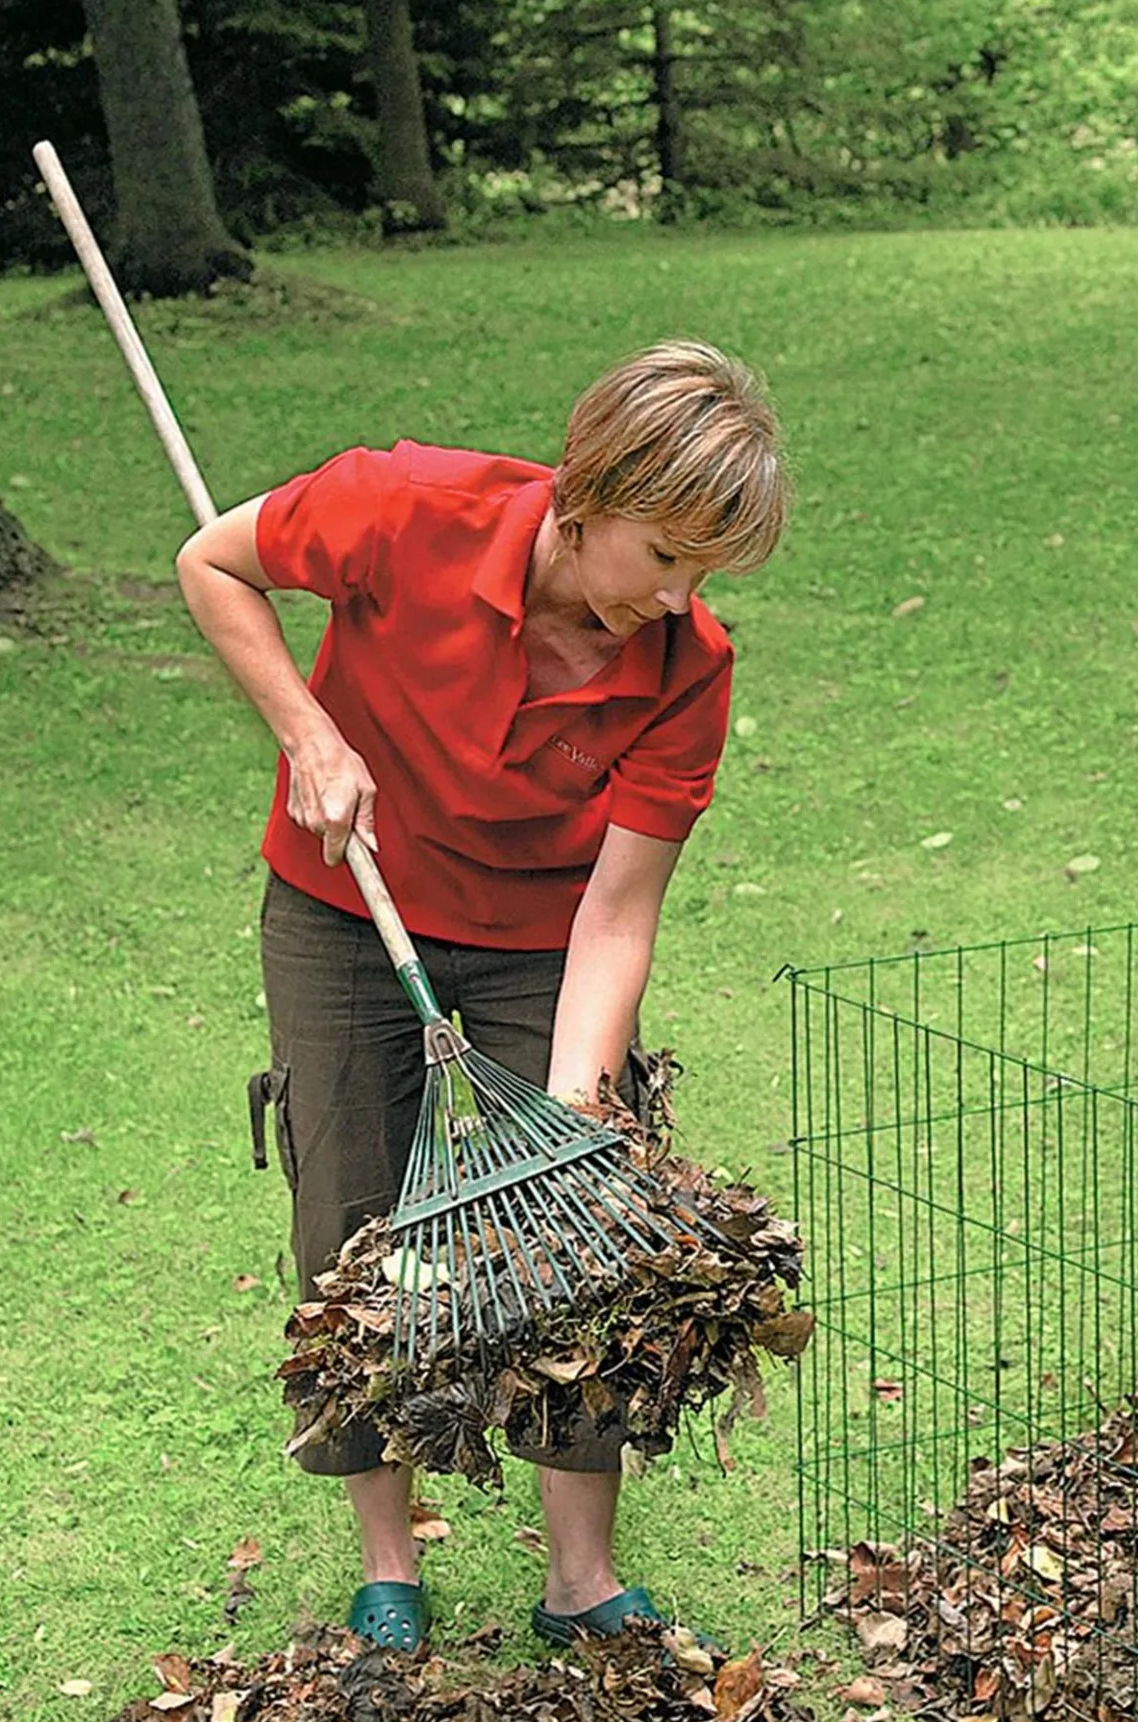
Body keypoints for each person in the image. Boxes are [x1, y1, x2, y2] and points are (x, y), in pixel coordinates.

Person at [177, 340, 789, 1654]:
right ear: (599, 496)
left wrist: (570, 1111)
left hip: (536, 947)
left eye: (706, 573)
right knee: (354, 1227)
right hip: (348, 912)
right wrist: (311, 733)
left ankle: (579, 1579)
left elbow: (619, 908)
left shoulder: (689, 668)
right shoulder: (408, 512)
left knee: (576, 1245)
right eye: (668, 556)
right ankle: (389, 1569)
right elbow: (210, 563)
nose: (683, 599)